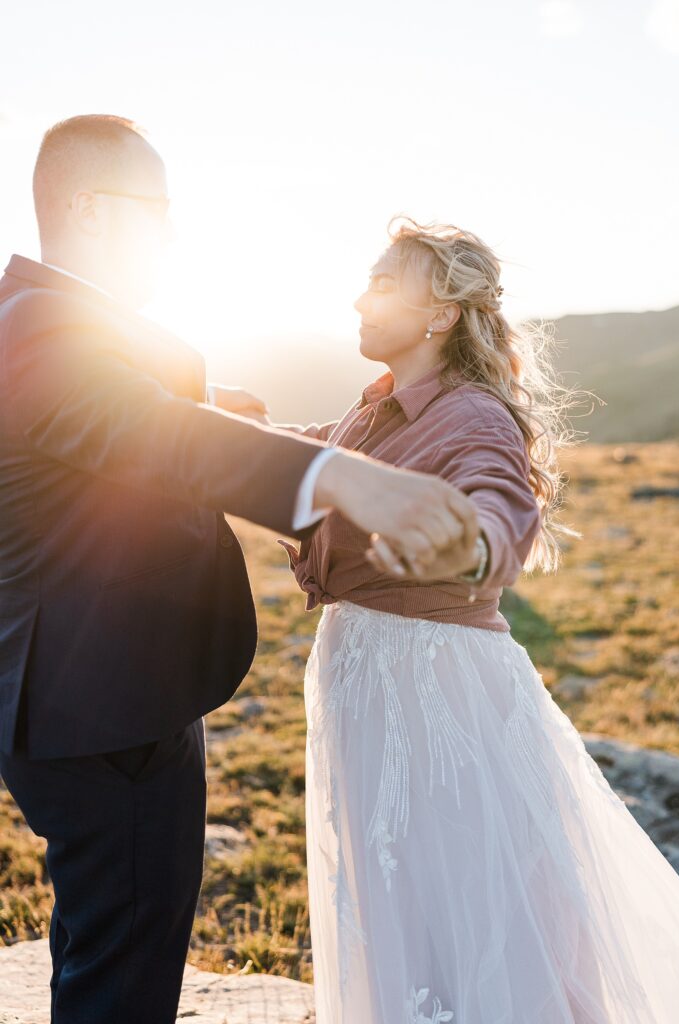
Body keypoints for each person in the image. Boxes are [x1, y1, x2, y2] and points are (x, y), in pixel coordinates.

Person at [0, 118, 480, 1024]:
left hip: (95, 688)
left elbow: (98, 416)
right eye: (158, 210)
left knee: (103, 933)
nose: (173, 232)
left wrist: (214, 400)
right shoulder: (36, 324)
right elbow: (141, 428)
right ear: (89, 209)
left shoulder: (48, 318)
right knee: (125, 964)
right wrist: (338, 477)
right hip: (98, 704)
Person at [251, 219, 679, 1023]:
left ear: (441, 313)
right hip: (367, 672)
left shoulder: (472, 414)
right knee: (400, 896)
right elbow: (303, 455)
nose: (358, 297)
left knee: (468, 903)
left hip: (434, 691)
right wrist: (215, 423)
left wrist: (473, 547)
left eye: (383, 283)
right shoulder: (374, 412)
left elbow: (496, 500)